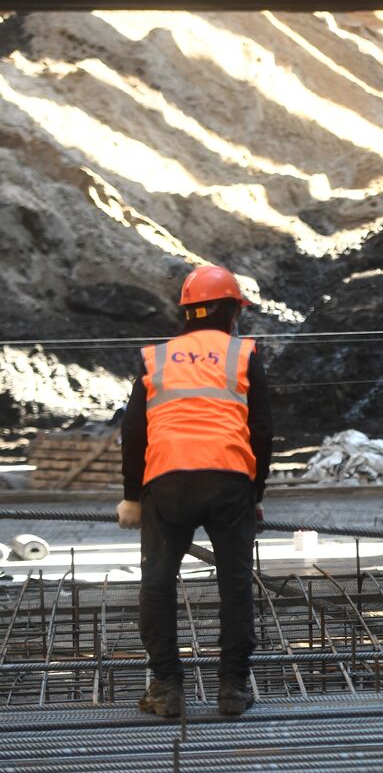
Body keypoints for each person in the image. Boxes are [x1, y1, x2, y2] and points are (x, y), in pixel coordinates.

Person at [116, 265, 273, 718]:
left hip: (166, 482)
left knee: (159, 583)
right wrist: (255, 495)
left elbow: (133, 432)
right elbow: (261, 431)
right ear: (230, 311)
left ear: (187, 312)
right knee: (236, 584)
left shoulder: (156, 357)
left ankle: (166, 688)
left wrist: (132, 497)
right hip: (229, 482)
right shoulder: (243, 354)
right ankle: (232, 689)